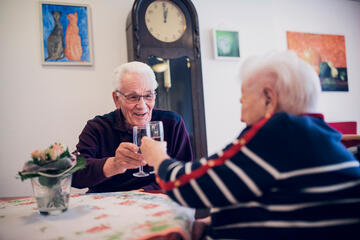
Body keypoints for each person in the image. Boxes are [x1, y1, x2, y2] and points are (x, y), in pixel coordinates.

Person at [140, 50, 360, 239]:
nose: (241, 109)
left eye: (244, 98)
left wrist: (158, 157)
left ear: (269, 98)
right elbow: (275, 201)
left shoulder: (279, 132)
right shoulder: (317, 136)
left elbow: (188, 185)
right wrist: (212, 221)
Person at [72, 61, 193, 193]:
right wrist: (114, 164)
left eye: (148, 96)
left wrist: (142, 192)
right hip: (110, 206)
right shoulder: (98, 127)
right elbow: (75, 176)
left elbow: (184, 176)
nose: (142, 105)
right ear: (116, 99)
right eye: (133, 97)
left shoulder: (172, 123)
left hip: (157, 203)